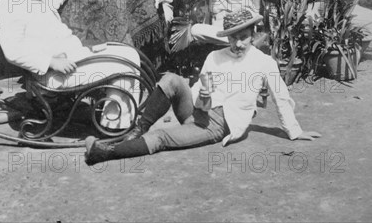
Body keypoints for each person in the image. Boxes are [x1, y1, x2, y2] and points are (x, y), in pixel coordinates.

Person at [84, 9, 321, 165]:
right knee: (171, 79)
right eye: (233, 38)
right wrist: (202, 98)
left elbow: (281, 97)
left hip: (218, 124)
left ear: (253, 35)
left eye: (245, 37)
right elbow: (200, 93)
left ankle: (105, 153)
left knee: (161, 136)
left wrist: (295, 130)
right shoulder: (215, 56)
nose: (238, 44)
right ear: (227, 37)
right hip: (198, 111)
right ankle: (138, 130)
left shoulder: (264, 63)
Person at [0, 0, 140, 129]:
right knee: (125, 64)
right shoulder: (10, 4)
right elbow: (12, 50)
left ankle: (115, 120)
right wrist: (50, 62)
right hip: (58, 73)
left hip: (74, 57)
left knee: (128, 52)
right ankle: (116, 125)